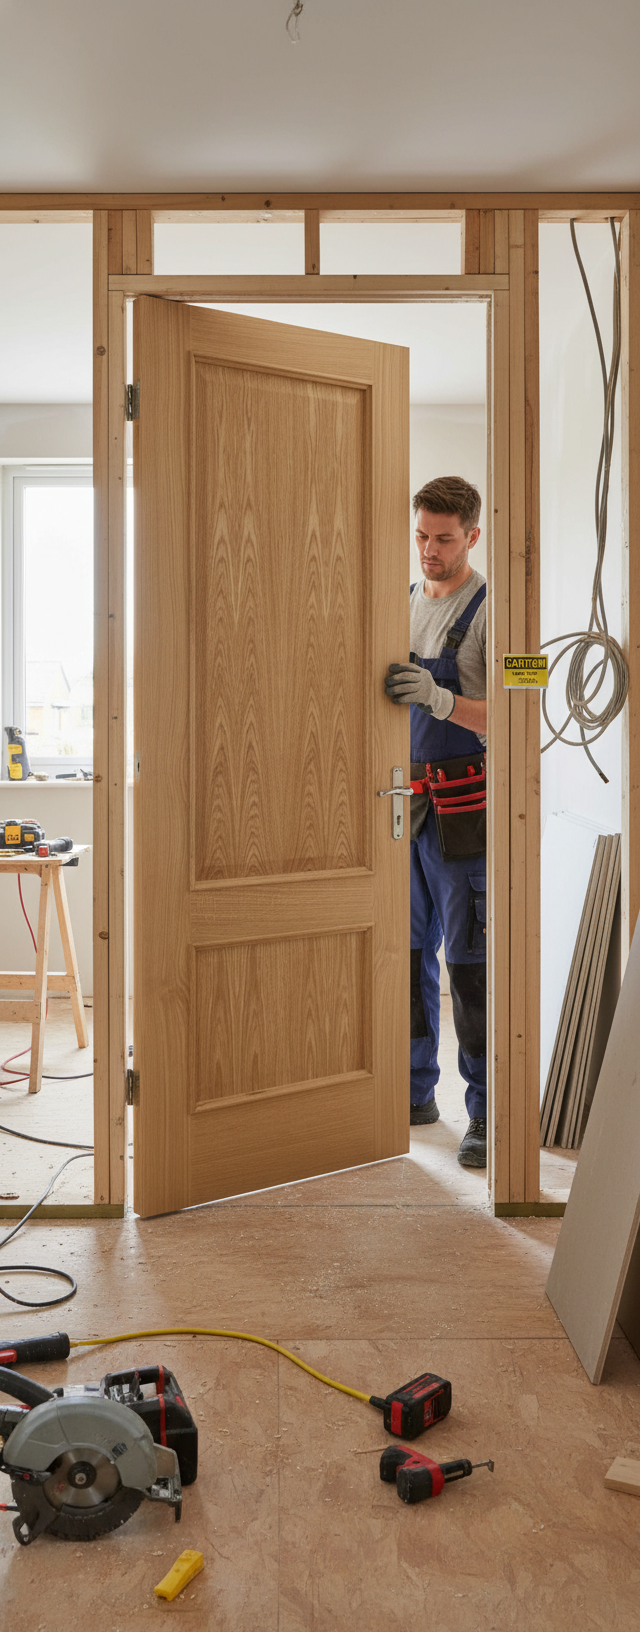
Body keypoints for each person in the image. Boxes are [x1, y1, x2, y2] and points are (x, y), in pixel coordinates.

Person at [384, 476, 487, 1169]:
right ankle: (415, 1091)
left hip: (466, 816)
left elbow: (520, 712)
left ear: (472, 536)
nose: (429, 550)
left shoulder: (495, 607)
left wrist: (443, 699)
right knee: (407, 957)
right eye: (421, 535)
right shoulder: (403, 600)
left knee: (471, 967)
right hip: (407, 807)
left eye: (444, 539)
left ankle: (486, 1113)